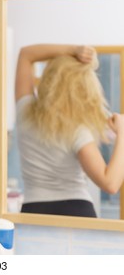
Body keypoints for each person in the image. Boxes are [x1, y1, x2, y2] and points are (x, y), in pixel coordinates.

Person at [14, 44, 124, 217]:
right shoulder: (77, 131)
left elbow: (26, 54)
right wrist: (123, 134)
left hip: (32, 210)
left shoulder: (24, 112)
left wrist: (74, 51)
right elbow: (110, 184)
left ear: (48, 80)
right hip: (76, 211)